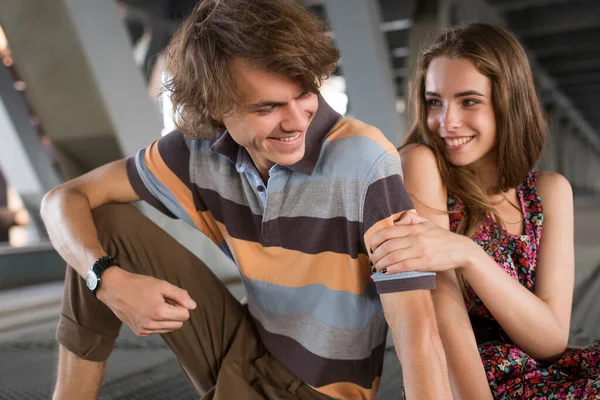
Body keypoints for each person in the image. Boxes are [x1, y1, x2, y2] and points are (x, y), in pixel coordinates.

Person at [41, 1, 452, 399]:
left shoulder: (363, 158)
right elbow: (65, 198)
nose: (296, 121)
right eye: (268, 107)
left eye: (305, 93)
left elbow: (417, 327)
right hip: (239, 342)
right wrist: (106, 280)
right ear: (216, 106)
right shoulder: (195, 152)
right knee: (103, 225)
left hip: (317, 392)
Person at [370, 22, 600, 399]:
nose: (447, 122)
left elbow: (551, 339)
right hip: (477, 382)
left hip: (552, 372)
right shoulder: (421, 164)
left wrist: (470, 255)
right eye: (434, 102)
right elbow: (441, 315)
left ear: (509, 102)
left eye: (469, 101)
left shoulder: (549, 191)